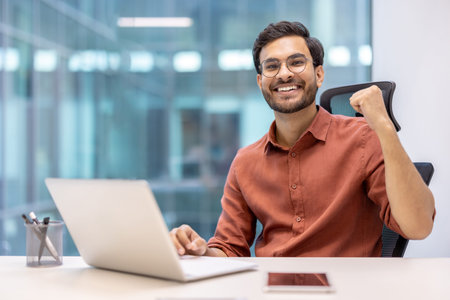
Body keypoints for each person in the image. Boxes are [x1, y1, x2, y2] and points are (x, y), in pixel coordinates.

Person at [170, 21, 435, 257]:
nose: (284, 74)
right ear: (261, 81)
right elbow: (229, 248)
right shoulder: (245, 162)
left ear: (319, 75)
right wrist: (202, 251)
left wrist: (384, 128)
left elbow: (419, 226)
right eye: (272, 66)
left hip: (349, 289)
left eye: (296, 62)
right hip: (270, 289)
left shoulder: (364, 138)